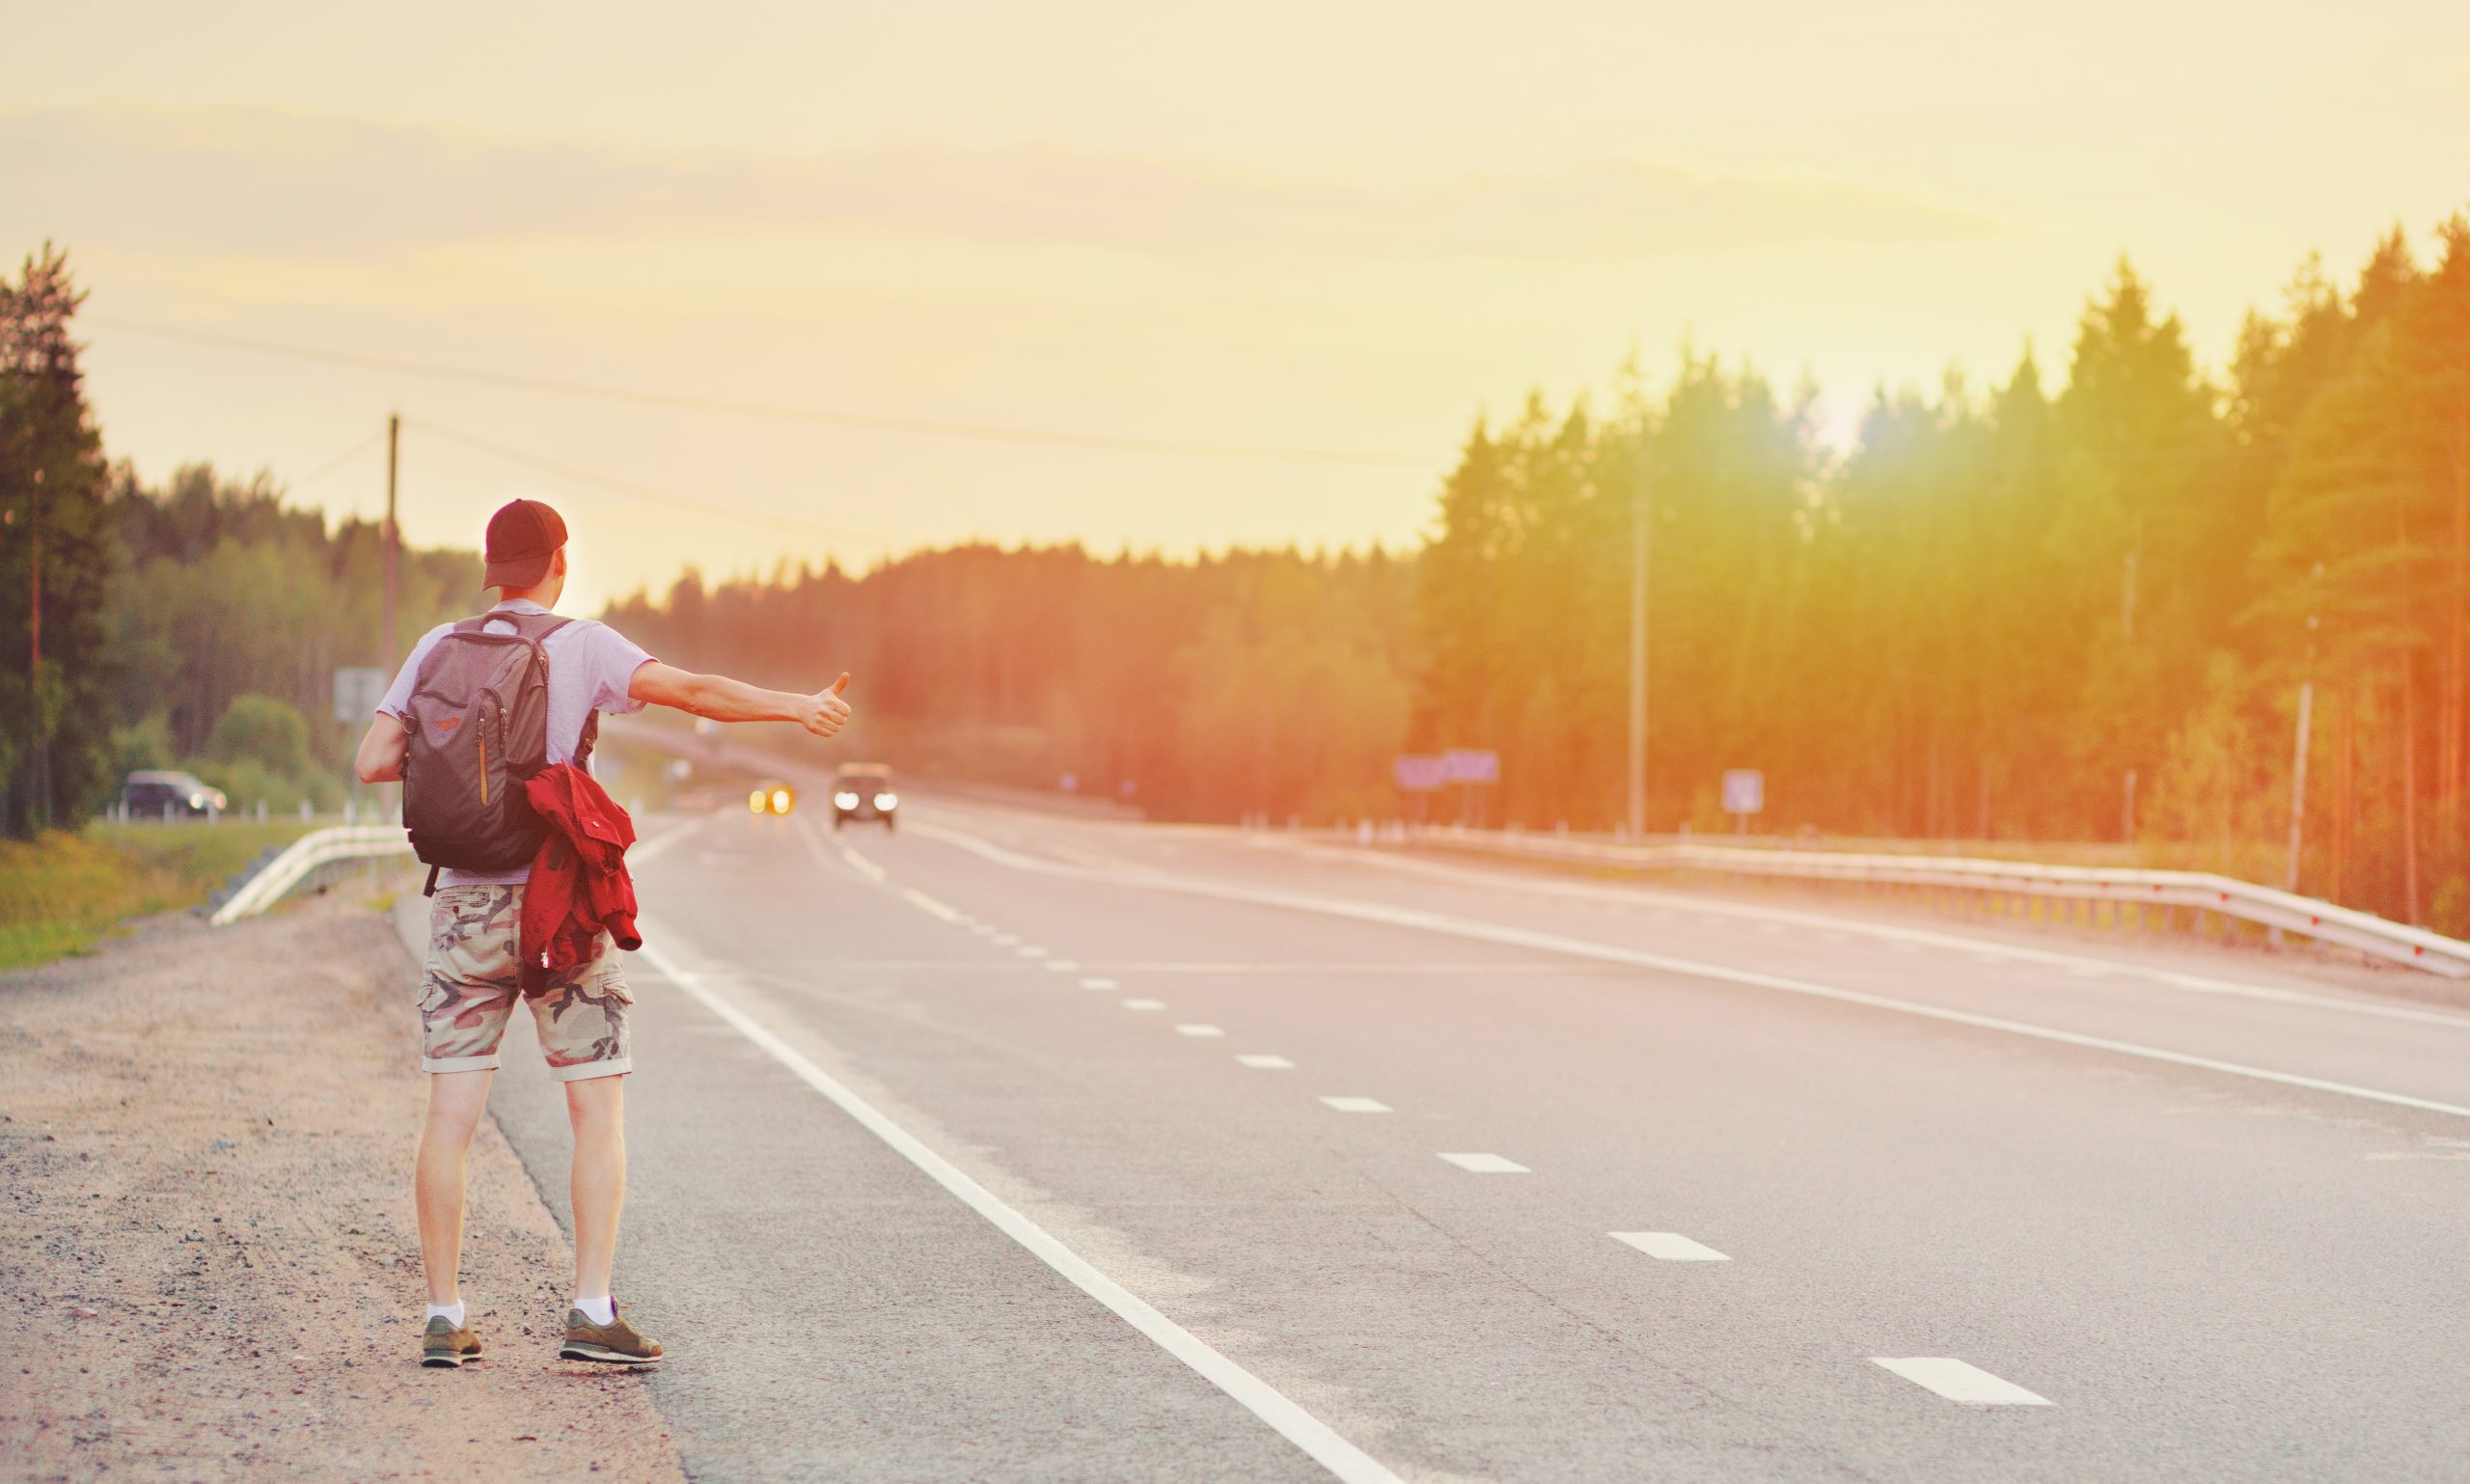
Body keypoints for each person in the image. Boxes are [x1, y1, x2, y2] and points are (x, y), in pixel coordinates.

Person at [354, 498, 851, 1368]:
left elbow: (372, 761)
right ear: (560, 563)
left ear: (490, 570)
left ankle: (442, 1318)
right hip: (558, 909)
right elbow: (694, 692)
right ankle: (589, 1310)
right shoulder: (581, 646)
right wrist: (794, 707)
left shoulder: (437, 647)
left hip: (464, 907)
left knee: (451, 1115)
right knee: (595, 1106)